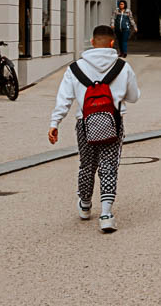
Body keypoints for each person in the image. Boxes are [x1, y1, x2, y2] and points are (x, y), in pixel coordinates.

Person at [48, 25, 141, 233]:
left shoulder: (75, 68)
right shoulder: (123, 67)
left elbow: (64, 99)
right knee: (109, 165)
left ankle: (85, 204)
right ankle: (106, 214)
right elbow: (134, 97)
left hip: (84, 123)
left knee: (87, 164)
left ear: (92, 42)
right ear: (111, 43)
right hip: (113, 122)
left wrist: (55, 123)